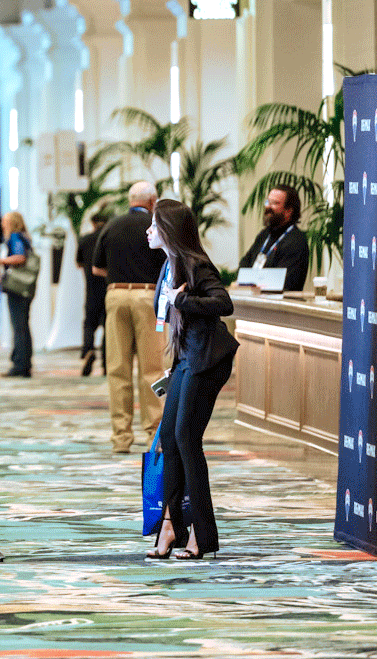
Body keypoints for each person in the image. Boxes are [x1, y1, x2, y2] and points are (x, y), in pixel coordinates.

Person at [146, 198, 238, 561]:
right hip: (187, 358)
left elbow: (223, 303)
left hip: (208, 360)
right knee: (169, 436)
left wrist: (183, 301)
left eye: (154, 225)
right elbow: (171, 317)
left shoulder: (195, 264)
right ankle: (171, 524)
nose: (148, 231)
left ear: (169, 230)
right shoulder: (168, 267)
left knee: (187, 438)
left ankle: (201, 532)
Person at [91, 182, 166, 453]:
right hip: (147, 298)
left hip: (116, 295)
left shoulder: (112, 225)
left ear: (130, 200)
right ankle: (153, 435)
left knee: (118, 369)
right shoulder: (157, 226)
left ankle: (120, 437)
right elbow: (169, 266)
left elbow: (97, 268)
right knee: (152, 369)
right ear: (152, 202)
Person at [0, 211, 35, 378]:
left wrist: (0, 261)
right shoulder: (24, 237)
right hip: (24, 287)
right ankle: (23, 362)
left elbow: (20, 258)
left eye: (5, 222)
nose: (2, 224)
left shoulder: (15, 237)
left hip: (18, 289)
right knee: (23, 326)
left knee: (19, 326)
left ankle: (20, 364)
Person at [239, 185, 310, 292]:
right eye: (268, 202)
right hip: (255, 300)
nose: (268, 207)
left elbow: (285, 281)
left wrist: (255, 282)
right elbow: (244, 264)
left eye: (275, 203)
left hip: (281, 304)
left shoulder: (296, 241)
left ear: (288, 211)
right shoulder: (264, 235)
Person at [76, 214, 110, 377]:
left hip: (91, 288)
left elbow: (78, 263)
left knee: (89, 324)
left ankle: (88, 350)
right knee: (108, 326)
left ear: (92, 223)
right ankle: (106, 362)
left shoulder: (85, 239)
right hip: (109, 287)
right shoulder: (110, 239)